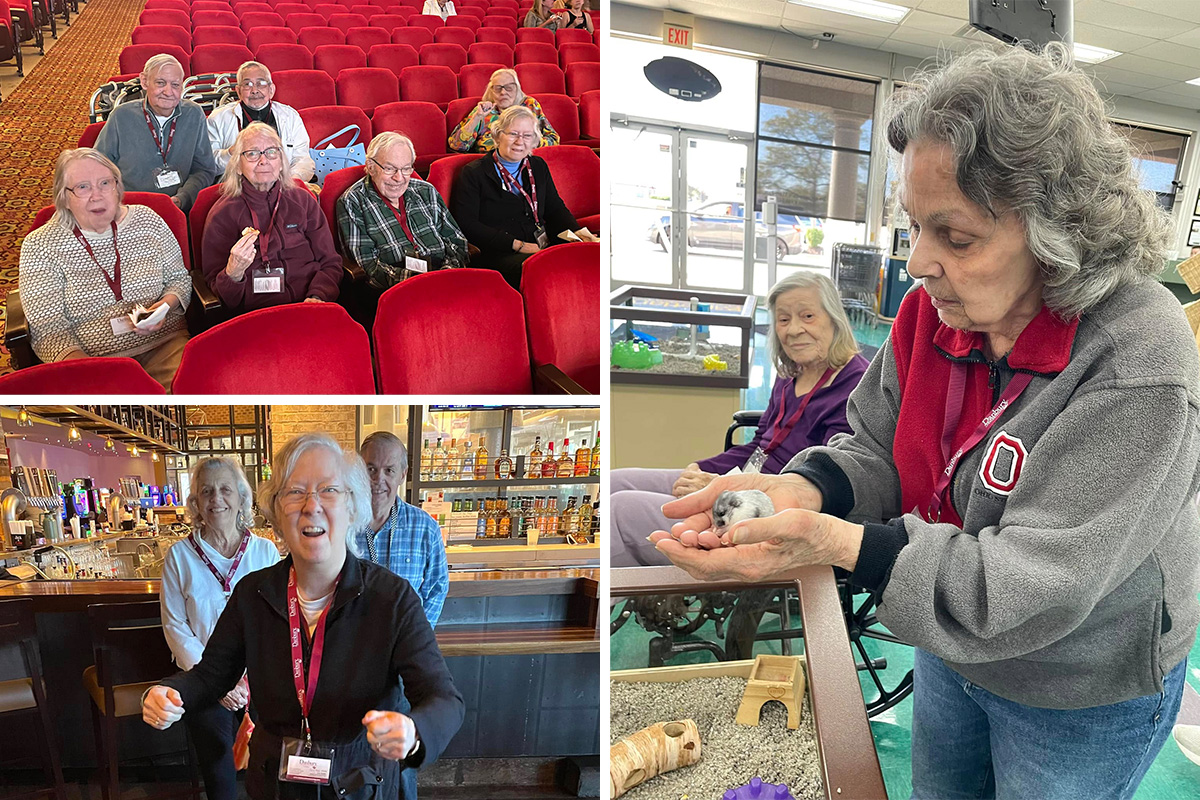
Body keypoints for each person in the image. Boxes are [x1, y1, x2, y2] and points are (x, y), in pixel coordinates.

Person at [648, 43, 1200, 800]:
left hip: (1078, 687)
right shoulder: (930, 314)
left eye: (957, 236)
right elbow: (874, 444)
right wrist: (800, 491)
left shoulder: (1137, 356)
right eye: (915, 227)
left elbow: (1039, 581)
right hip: (949, 641)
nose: (918, 263)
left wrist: (836, 545)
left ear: (1056, 232)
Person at [142, 433, 465, 800]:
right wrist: (169, 691)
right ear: (276, 512)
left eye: (329, 490)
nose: (312, 505)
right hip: (276, 784)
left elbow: (444, 699)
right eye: (295, 491)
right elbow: (209, 677)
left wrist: (413, 732)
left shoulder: (392, 599)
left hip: (361, 784)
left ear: (352, 507)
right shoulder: (253, 594)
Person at [611, 272, 868, 568]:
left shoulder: (855, 387)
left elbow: (826, 485)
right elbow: (759, 446)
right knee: (617, 480)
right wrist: (704, 471)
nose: (794, 329)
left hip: (769, 512)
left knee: (619, 510)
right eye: (783, 320)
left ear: (834, 318)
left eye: (807, 316)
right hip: (740, 481)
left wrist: (722, 488)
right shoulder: (791, 374)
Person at [18, 148, 191, 390]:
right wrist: (91, 373)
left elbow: (179, 280)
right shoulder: (42, 245)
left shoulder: (148, 220)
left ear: (118, 187)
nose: (97, 195)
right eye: (82, 187)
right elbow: (47, 327)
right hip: (93, 360)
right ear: (64, 197)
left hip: (164, 344)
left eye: (105, 183)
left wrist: (163, 307)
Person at [160, 458, 280, 800]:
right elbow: (175, 626)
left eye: (225, 489)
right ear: (195, 502)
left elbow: (276, 621)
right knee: (218, 770)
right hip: (206, 679)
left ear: (242, 497)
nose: (217, 499)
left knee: (272, 764)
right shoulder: (179, 557)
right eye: (206, 491)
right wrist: (217, 679)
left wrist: (245, 677)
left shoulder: (265, 552)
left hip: (259, 678)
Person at [201, 122, 342, 314]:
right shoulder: (222, 214)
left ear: (282, 162)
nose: (263, 161)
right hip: (257, 314)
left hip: (310, 305)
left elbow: (330, 262)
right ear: (238, 166)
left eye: (271, 152)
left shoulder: (303, 200)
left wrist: (318, 296)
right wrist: (232, 274)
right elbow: (217, 290)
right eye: (252, 153)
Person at [451, 105, 596, 289]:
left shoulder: (538, 166)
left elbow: (555, 208)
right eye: (513, 134)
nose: (520, 141)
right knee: (547, 270)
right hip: (500, 253)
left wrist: (578, 233)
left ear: (535, 141)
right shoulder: (474, 173)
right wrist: (518, 245)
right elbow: (467, 224)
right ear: (497, 135)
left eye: (527, 135)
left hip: (541, 246)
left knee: (584, 257)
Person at [336, 131, 468, 290]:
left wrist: (446, 275)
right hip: (395, 288)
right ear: (371, 167)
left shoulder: (426, 191)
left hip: (445, 278)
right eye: (390, 169)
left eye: (406, 169)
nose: (399, 178)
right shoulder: (352, 201)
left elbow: (456, 241)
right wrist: (420, 283)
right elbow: (367, 265)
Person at [94, 54, 217, 212]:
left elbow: (205, 169)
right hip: (129, 209)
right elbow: (98, 168)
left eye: (175, 85)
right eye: (160, 83)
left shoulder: (194, 114)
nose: (168, 92)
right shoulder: (121, 116)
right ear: (144, 82)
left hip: (177, 209)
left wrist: (183, 198)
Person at [353, 431, 448, 625]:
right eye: (371, 469)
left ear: (402, 475)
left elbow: (438, 586)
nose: (378, 479)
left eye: (389, 470)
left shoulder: (425, 528)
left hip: (406, 640)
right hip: (354, 643)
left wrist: (419, 633)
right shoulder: (342, 524)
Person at [207, 61, 316, 183]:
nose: (254, 90)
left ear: (271, 89)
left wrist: (289, 182)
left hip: (283, 186)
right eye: (247, 84)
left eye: (261, 83)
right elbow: (207, 165)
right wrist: (230, 153)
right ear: (238, 91)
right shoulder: (218, 118)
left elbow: (303, 160)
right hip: (235, 188)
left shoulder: (290, 116)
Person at [447, 68, 559, 154]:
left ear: (517, 88)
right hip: (490, 167)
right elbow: (457, 145)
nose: (503, 92)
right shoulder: (483, 110)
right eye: (498, 88)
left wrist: (527, 146)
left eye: (509, 87)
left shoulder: (530, 105)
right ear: (491, 91)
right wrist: (477, 118)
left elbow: (553, 139)